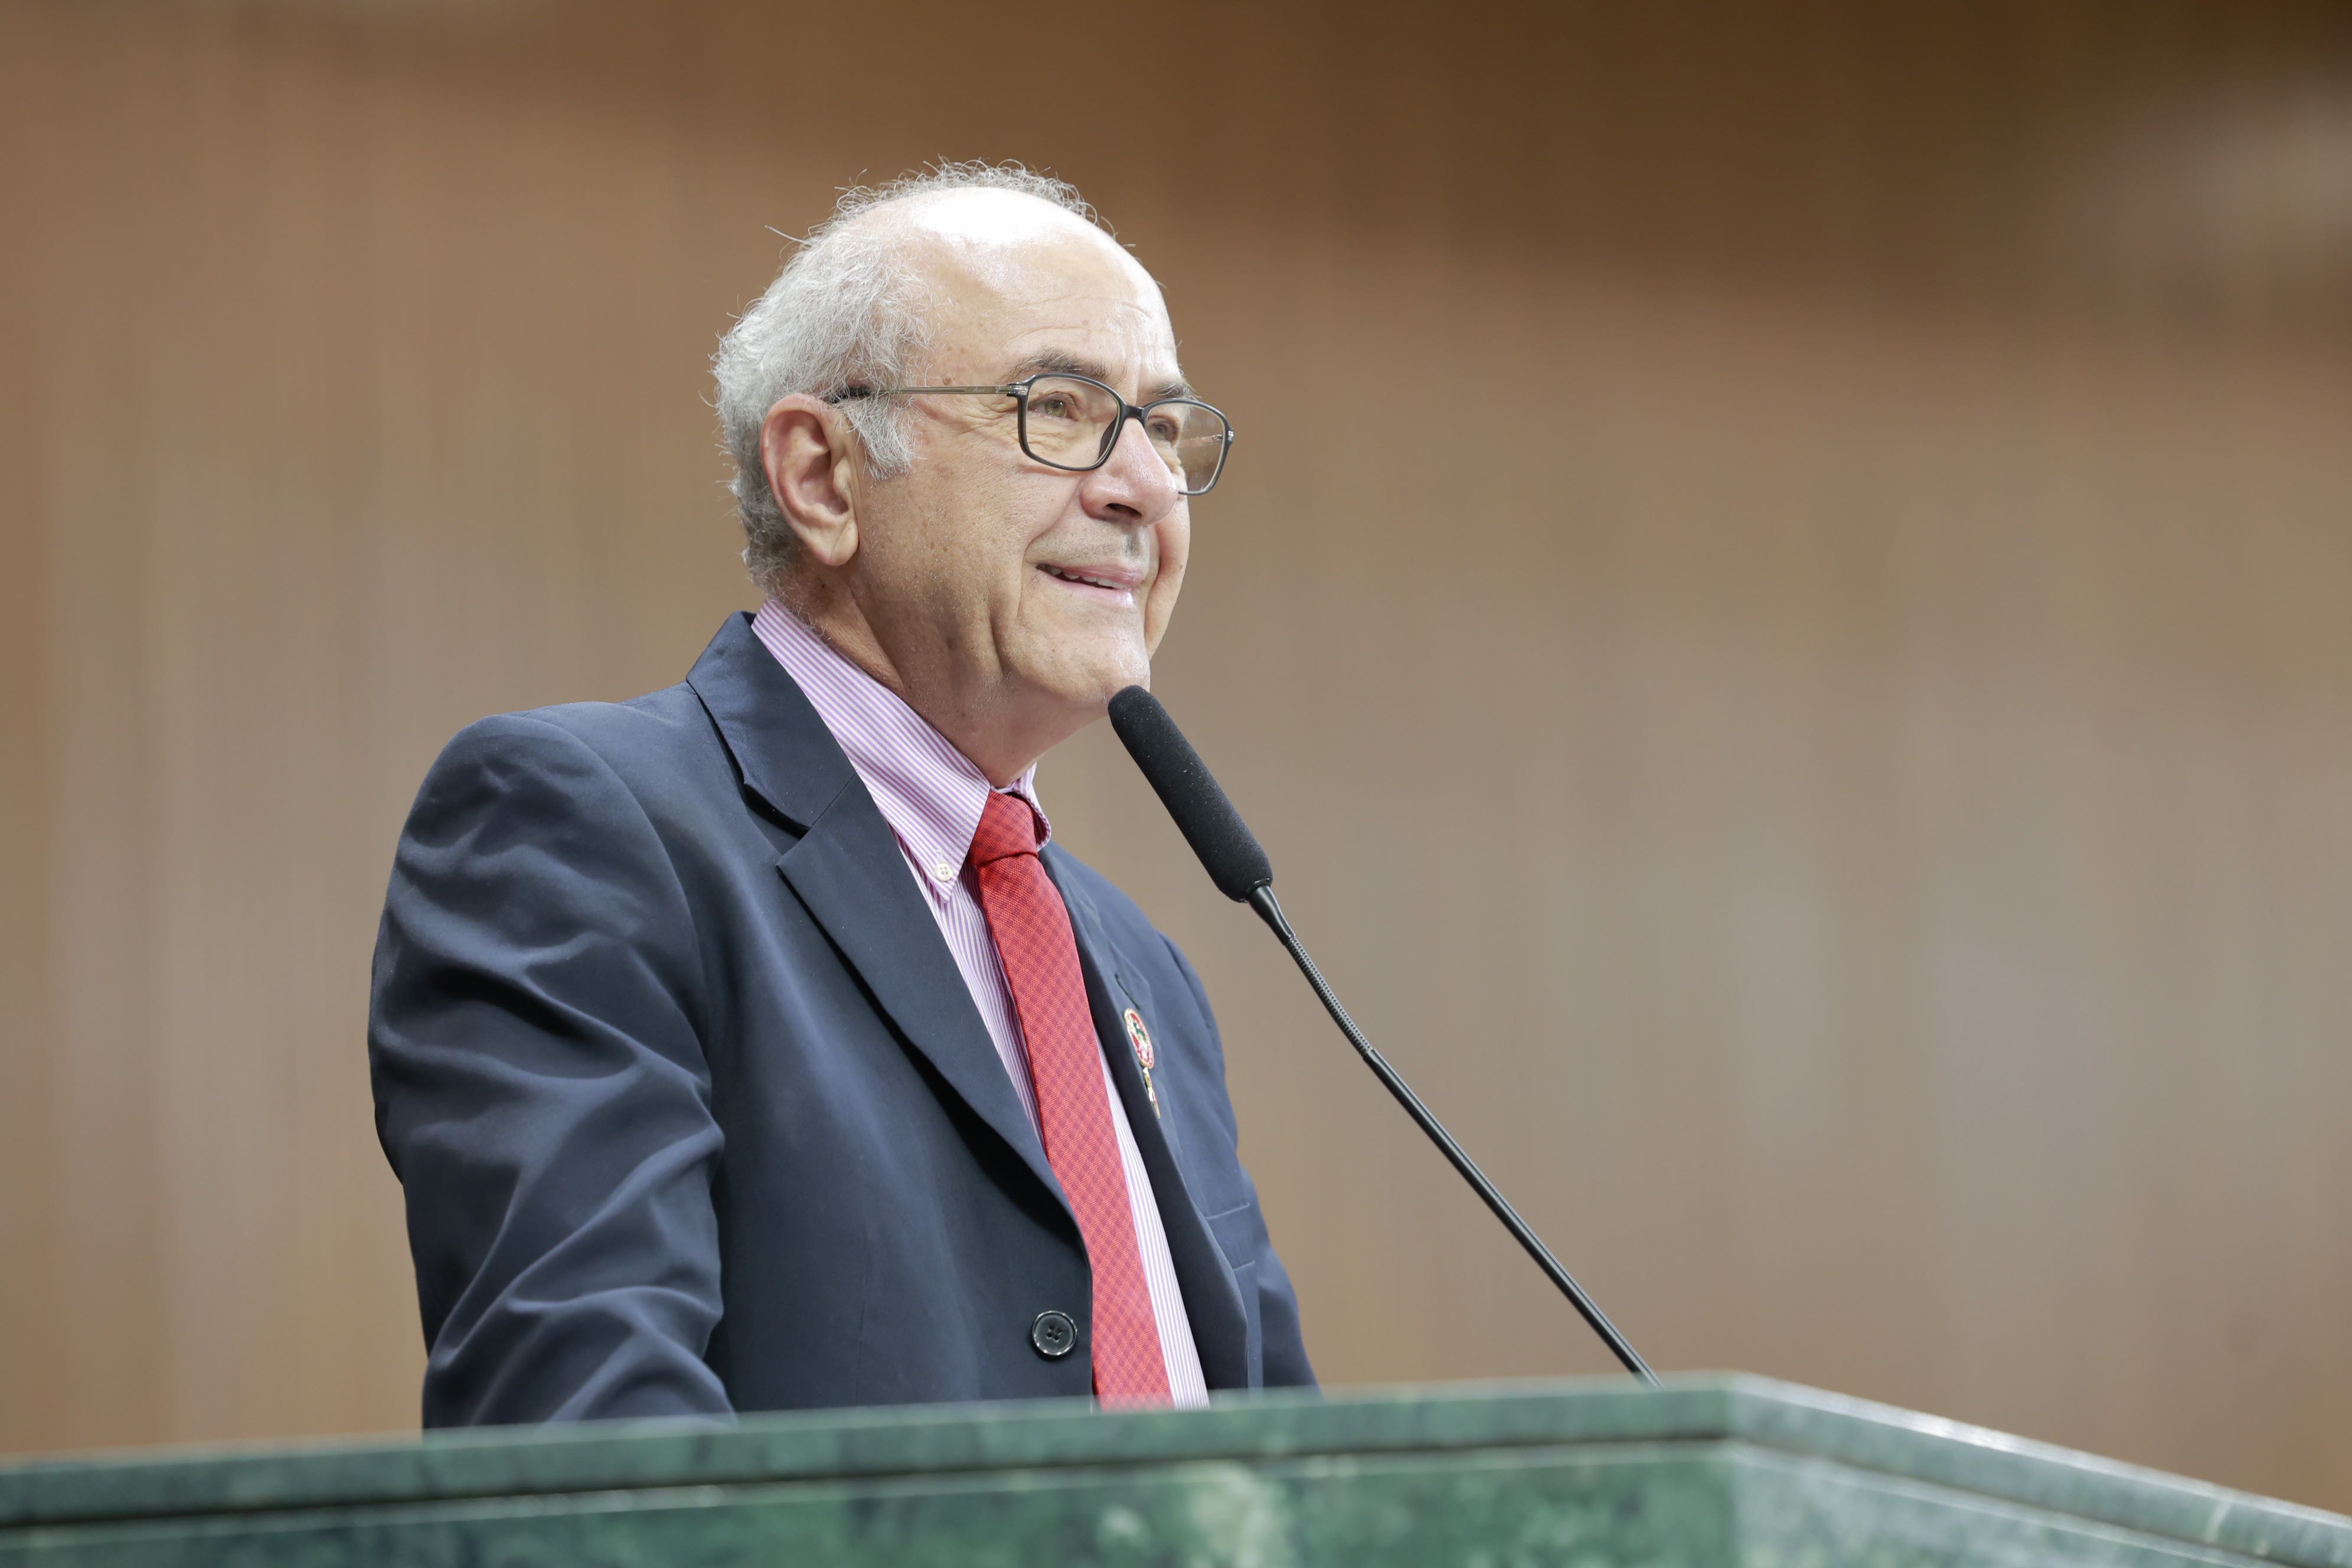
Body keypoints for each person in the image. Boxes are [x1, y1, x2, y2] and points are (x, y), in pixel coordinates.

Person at [369, 164, 1314, 1425]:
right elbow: (596, 1449)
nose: (1142, 485)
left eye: (1163, 426)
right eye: (1060, 409)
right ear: (823, 475)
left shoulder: (1148, 973)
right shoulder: (582, 832)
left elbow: (1298, 1472)